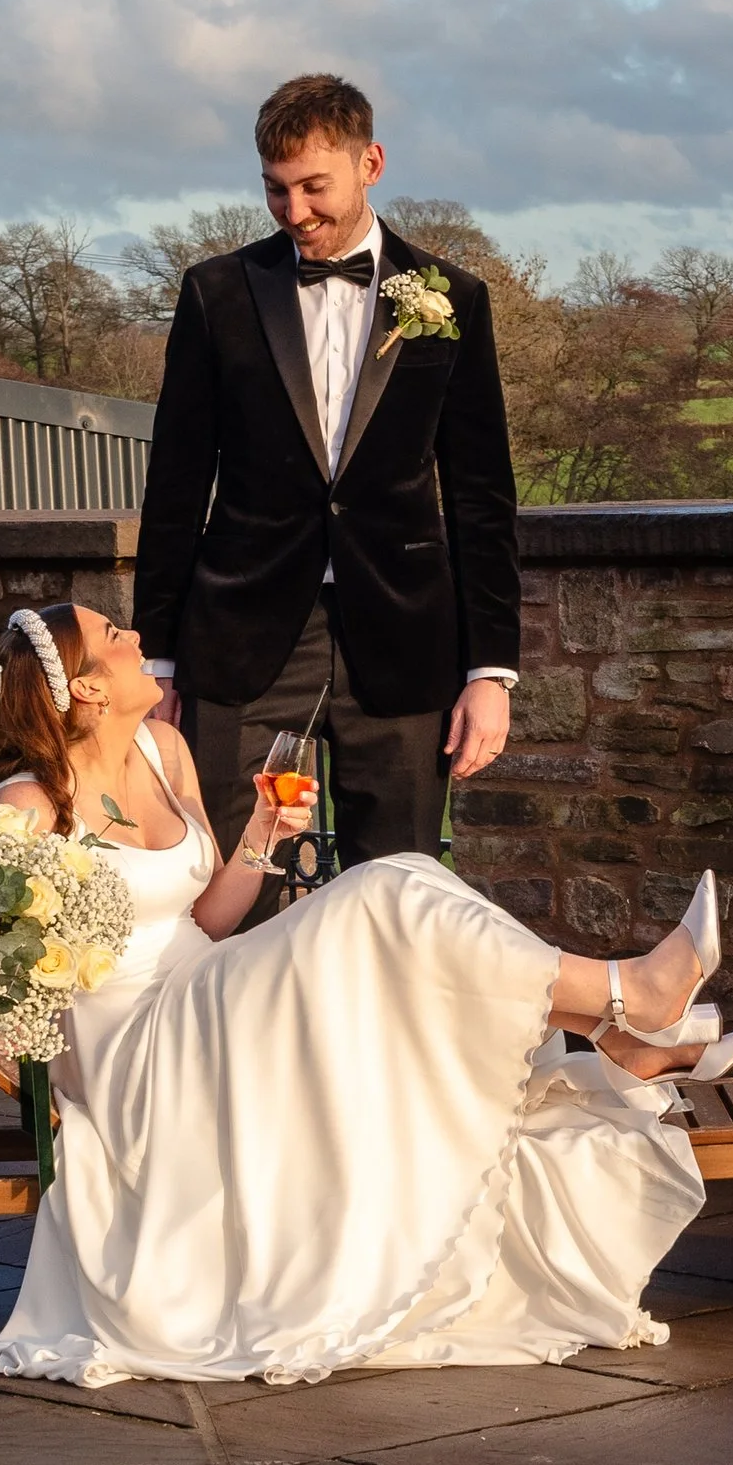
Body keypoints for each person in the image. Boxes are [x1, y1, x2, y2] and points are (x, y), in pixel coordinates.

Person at [0, 599, 733, 1391]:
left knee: (403, 877)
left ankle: (622, 1022)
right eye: (114, 635)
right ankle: (628, 1000)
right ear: (85, 686)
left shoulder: (166, 750)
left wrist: (261, 836)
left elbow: (210, 917)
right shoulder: (24, 808)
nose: (134, 636)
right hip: (142, 1048)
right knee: (384, 895)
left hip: (208, 986)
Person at [130, 72, 521, 876]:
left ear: (370, 163)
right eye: (276, 191)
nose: (295, 212)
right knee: (225, 882)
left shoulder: (456, 301)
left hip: (405, 638)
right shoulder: (217, 295)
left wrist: (491, 671)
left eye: (315, 187)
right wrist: (158, 662)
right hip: (242, 635)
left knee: (397, 892)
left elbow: (482, 499)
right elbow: (174, 487)